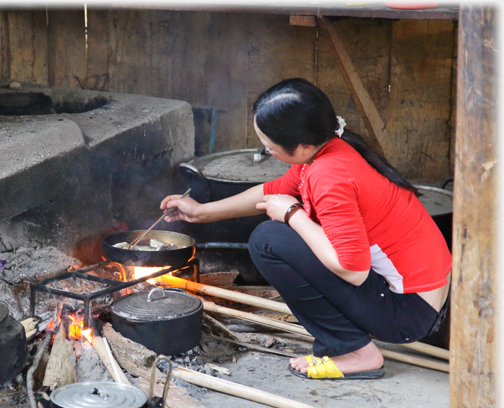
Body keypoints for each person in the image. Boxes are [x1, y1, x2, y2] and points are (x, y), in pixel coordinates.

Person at [160, 78, 452, 380]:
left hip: (407, 314)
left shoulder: (329, 176)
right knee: (277, 235)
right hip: (420, 300)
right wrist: (202, 212)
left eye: (270, 147)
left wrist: (292, 214)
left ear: (303, 146)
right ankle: (351, 343)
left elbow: (352, 270)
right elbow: (272, 191)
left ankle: (355, 351)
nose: (266, 150)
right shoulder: (330, 149)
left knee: (269, 239)